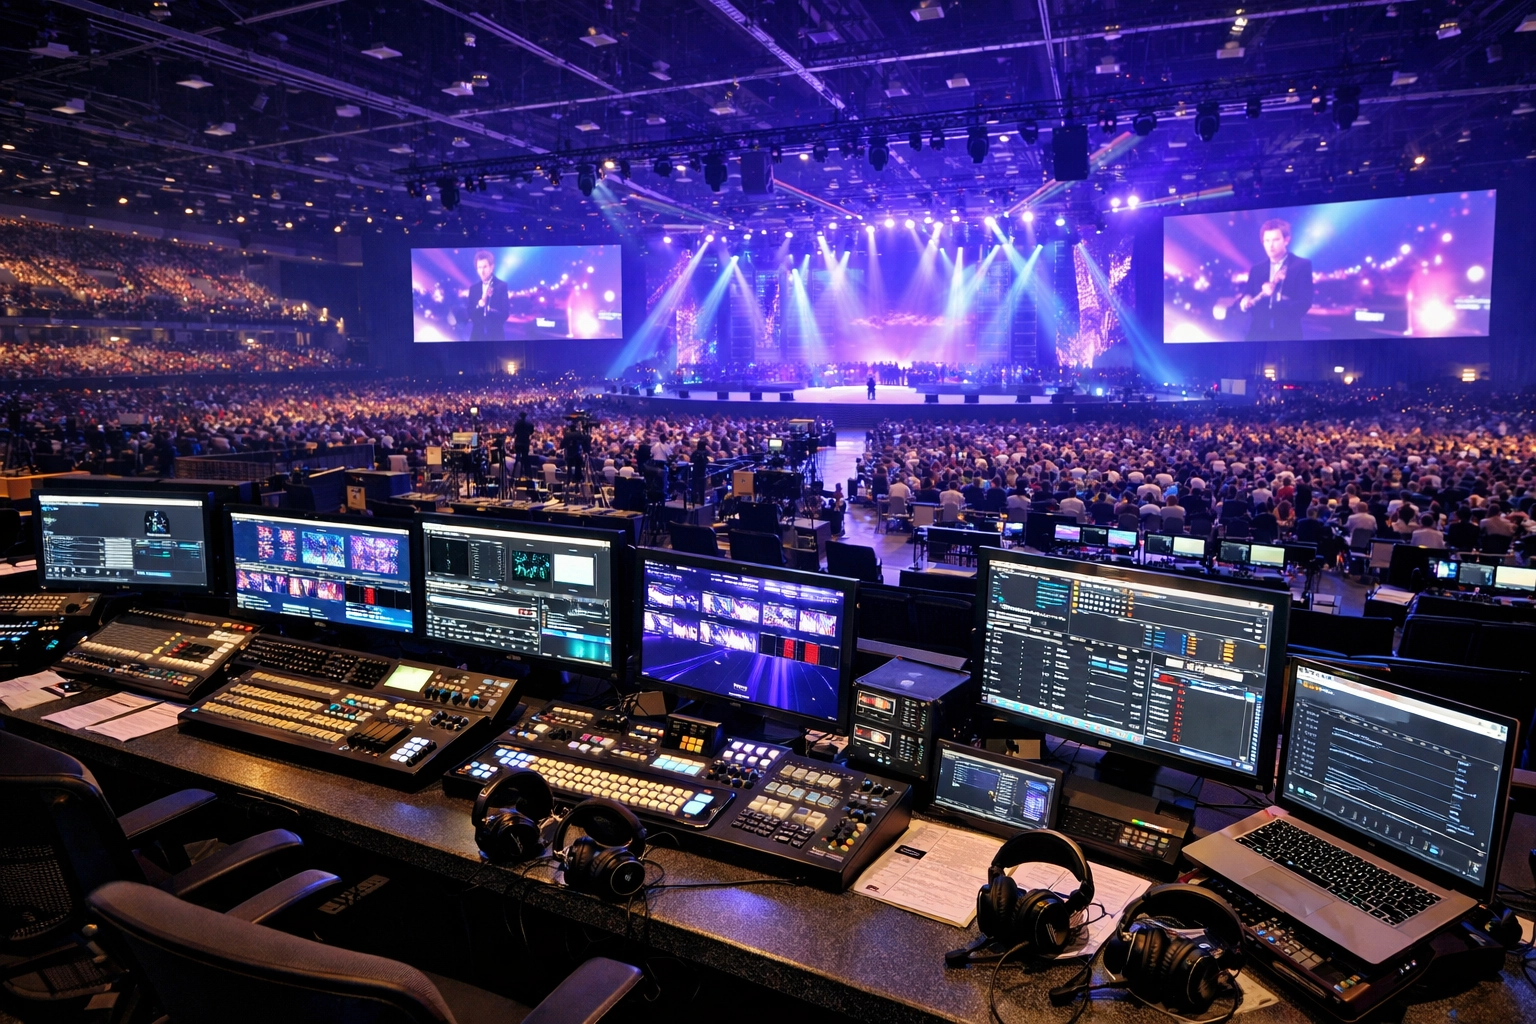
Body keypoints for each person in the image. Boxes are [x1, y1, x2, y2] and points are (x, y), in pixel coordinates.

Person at [1237, 219, 1314, 341]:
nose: (1270, 245)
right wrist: (1245, 301)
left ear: (1286, 240)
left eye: (1275, 240)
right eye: (1266, 241)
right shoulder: (1256, 270)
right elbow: (1246, 295)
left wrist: (1277, 299)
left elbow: (1305, 303)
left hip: (1288, 336)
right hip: (1257, 335)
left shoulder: (1301, 265)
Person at [463, 250, 510, 341]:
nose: (482, 271)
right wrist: (480, 305)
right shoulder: (473, 289)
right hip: (477, 337)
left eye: (485, 267)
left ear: (491, 267)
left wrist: (489, 311)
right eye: (479, 267)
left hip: (496, 336)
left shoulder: (501, 286)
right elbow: (470, 313)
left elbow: (505, 313)